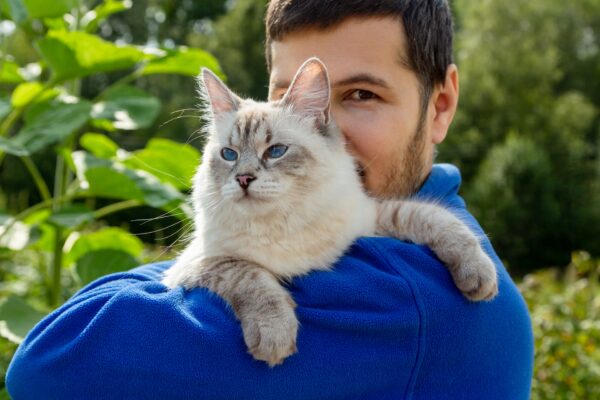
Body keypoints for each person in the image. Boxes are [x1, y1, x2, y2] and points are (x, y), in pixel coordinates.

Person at [6, 1, 534, 399]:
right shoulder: (401, 209)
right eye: (291, 98)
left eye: (362, 95)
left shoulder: (403, 297)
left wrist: (228, 265)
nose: (333, 137)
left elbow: (53, 360)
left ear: (440, 106)